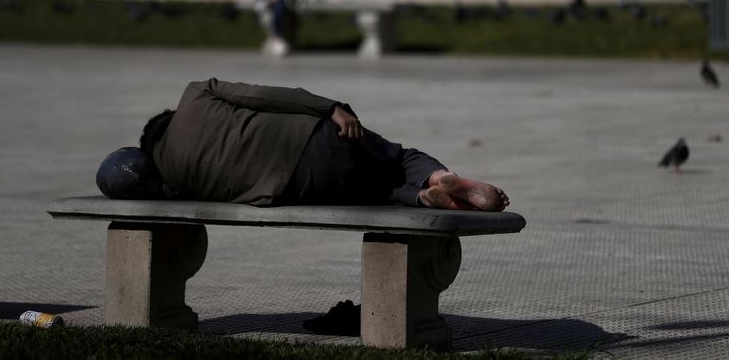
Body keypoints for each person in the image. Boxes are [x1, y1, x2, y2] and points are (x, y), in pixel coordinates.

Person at [139, 78, 509, 211]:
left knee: (378, 192)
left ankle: (419, 198)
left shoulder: (171, 177)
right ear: (169, 115)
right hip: (316, 139)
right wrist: (332, 108)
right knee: (399, 158)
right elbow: (265, 95)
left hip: (293, 189)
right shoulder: (195, 95)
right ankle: (438, 177)